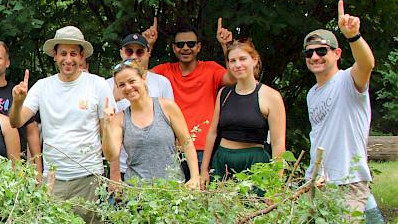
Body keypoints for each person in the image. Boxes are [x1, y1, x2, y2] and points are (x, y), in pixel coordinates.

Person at [9, 26, 119, 223]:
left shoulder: (98, 85)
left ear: (82, 56)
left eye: (73, 53)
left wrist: (115, 176)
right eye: (63, 53)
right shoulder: (43, 86)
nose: (68, 59)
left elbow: (110, 145)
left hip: (89, 178)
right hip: (53, 180)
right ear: (55, 55)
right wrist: (17, 102)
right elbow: (16, 121)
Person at [303, 0, 376, 216]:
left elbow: (367, 64)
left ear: (337, 53)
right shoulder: (312, 93)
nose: (315, 57)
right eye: (309, 53)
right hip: (318, 183)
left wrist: (353, 36)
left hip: (348, 182)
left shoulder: (348, 80)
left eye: (321, 51)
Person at [150, 19, 236, 178]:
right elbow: (140, 79)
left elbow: (233, 79)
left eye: (190, 44)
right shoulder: (165, 71)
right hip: (173, 149)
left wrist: (226, 46)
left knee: (202, 198)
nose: (185, 48)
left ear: (198, 47)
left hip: (204, 149)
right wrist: (148, 46)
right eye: (180, 44)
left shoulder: (211, 69)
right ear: (174, 48)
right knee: (173, 198)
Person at [201, 40, 286, 182]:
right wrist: (204, 170)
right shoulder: (224, 93)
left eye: (242, 59)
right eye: (232, 61)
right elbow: (212, 132)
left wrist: (275, 185)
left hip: (255, 163)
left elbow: (278, 143)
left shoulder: (272, 96)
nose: (237, 65)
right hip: (222, 161)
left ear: (254, 60)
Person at [109, 60, 200, 188]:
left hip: (172, 188)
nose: (128, 87)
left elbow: (187, 142)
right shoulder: (120, 118)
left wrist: (195, 177)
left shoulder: (167, 107)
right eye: (122, 85)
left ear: (143, 78)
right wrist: (107, 125)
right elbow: (111, 154)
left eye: (132, 81)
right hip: (136, 194)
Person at [107, 32, 174, 180]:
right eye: (129, 51)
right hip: (125, 167)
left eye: (140, 51)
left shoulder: (162, 82)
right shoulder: (107, 85)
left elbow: (172, 128)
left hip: (162, 170)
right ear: (121, 53)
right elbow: (108, 130)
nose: (134, 56)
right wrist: (114, 174)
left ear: (148, 53)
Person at [0, 40, 43, 176]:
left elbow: (32, 132)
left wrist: (38, 173)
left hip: (14, 168)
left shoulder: (18, 93)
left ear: (7, 63)